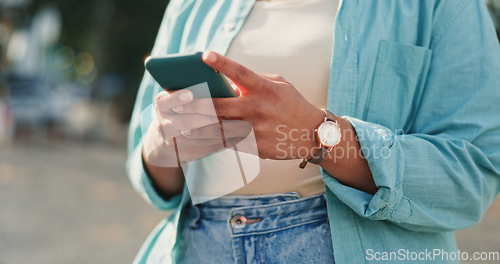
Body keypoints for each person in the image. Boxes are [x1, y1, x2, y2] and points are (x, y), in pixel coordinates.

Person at [127, 0, 500, 263]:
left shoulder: (441, 5)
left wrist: (317, 135)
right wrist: (161, 145)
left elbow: (474, 174)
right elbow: (149, 172)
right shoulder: (191, 5)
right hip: (199, 246)